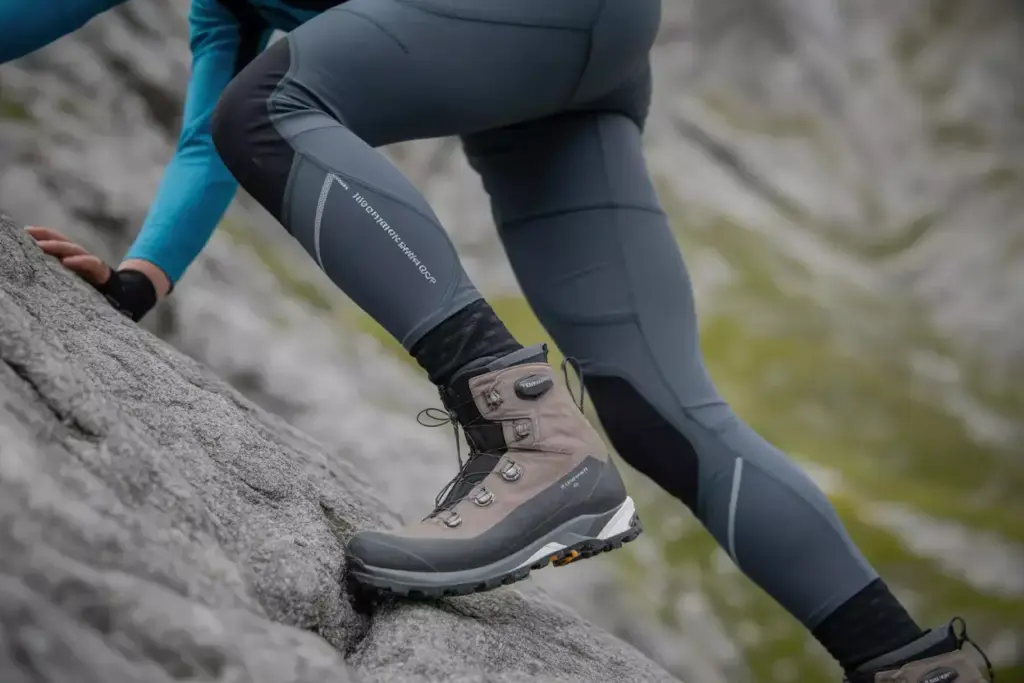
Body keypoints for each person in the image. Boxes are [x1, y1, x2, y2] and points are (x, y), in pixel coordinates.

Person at [16, 0, 994, 681]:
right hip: (573, 54)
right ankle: (908, 661)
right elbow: (205, 140)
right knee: (662, 408)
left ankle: (527, 432)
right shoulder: (223, 15)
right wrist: (139, 279)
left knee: (271, 112)